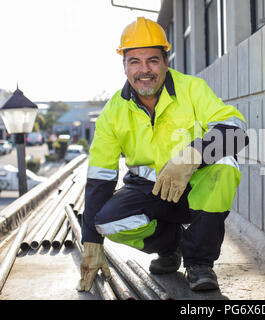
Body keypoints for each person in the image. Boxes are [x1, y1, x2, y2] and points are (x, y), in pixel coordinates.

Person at [77, 17, 248, 292]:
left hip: (194, 186)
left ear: (166, 62)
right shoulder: (113, 113)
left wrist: (191, 157)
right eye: (135, 61)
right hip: (149, 192)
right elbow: (100, 177)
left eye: (152, 60)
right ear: (124, 66)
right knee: (107, 223)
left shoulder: (192, 89)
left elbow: (235, 130)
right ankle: (173, 245)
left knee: (225, 164)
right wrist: (92, 243)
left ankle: (200, 263)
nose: (144, 70)